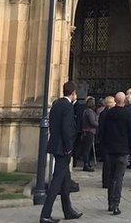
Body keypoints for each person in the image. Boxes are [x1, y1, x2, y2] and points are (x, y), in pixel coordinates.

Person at [39, 81, 84, 223]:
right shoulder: (68, 107)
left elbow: (53, 124)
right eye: (75, 93)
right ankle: (45, 214)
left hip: (55, 145)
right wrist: (69, 147)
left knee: (65, 181)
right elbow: (67, 129)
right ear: (73, 93)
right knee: (56, 182)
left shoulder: (56, 104)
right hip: (63, 148)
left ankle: (68, 210)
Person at [98, 92, 131, 216]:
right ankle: (116, 205)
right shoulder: (128, 114)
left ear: (115, 100)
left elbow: (101, 131)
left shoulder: (107, 114)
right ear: (124, 101)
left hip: (109, 150)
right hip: (122, 151)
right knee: (118, 178)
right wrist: (130, 148)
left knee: (110, 177)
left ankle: (110, 203)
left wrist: (104, 146)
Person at [98, 96, 115, 188]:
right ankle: (109, 181)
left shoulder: (102, 113)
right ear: (110, 103)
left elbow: (100, 128)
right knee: (109, 163)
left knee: (106, 163)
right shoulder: (110, 114)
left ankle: (105, 182)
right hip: (110, 141)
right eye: (113, 102)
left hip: (104, 140)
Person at [80, 97, 99, 172]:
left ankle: (87, 163)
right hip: (89, 131)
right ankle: (86, 164)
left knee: (87, 148)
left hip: (87, 131)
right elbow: (93, 122)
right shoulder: (90, 112)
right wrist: (98, 123)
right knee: (87, 149)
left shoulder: (86, 111)